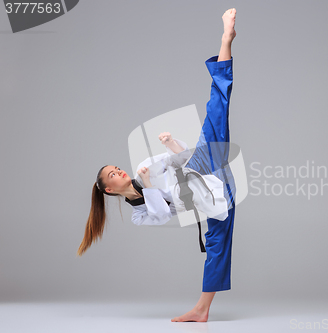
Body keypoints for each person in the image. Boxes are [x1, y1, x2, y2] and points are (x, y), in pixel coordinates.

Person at [76, 8, 238, 322]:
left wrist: (169, 143)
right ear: (110, 189)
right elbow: (163, 213)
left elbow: (181, 156)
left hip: (203, 164)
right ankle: (202, 310)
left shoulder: (144, 165)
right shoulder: (138, 214)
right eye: (113, 174)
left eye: (116, 167)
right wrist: (148, 185)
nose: (119, 171)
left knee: (217, 105)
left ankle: (225, 41)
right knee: (218, 247)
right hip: (214, 197)